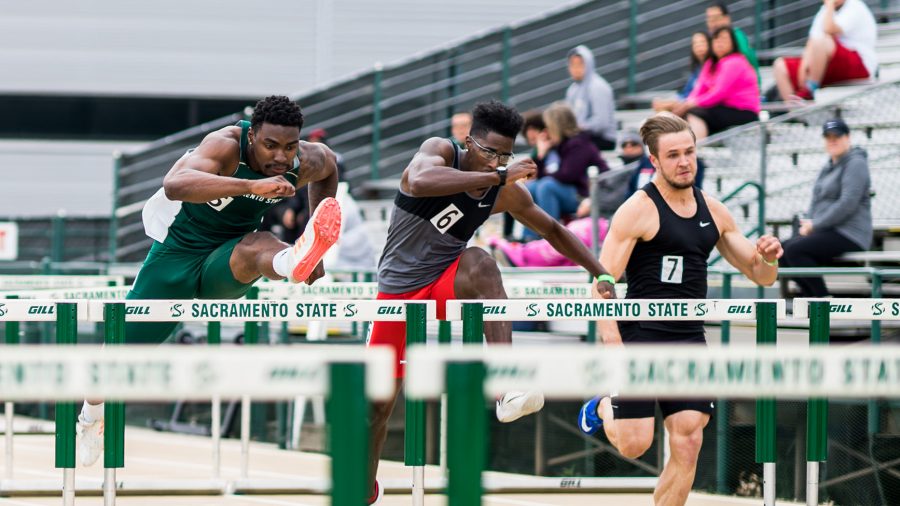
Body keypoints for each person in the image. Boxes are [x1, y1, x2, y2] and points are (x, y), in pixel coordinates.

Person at [365, 100, 616, 504]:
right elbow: (417, 181)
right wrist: (501, 173)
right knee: (376, 408)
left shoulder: (502, 192)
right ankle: (361, 488)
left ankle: (506, 385)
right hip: (398, 291)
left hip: (447, 280)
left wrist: (599, 270)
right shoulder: (440, 150)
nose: (495, 161)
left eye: (504, 154)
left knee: (482, 262)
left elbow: (552, 229)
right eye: (488, 152)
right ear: (469, 142)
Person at [76, 95, 342, 466]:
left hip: (228, 260)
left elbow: (329, 169)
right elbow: (176, 184)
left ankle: (294, 259)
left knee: (258, 245)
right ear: (252, 137)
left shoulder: (304, 160)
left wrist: (316, 229)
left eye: (289, 146)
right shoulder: (225, 145)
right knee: (119, 354)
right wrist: (249, 187)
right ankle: (90, 417)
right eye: (270, 146)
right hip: (177, 254)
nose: (281, 157)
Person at [577, 113, 782, 506]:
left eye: (690, 152)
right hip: (639, 336)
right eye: (673, 155)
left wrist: (769, 257)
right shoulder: (637, 210)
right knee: (635, 445)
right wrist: (611, 341)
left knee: (688, 441)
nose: (685, 161)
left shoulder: (715, 210)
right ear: (654, 160)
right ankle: (601, 405)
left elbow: (761, 276)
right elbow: (602, 284)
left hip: (688, 336)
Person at [780, 118, 872, 296]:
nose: (832, 140)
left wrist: (815, 225)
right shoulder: (829, 166)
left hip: (850, 234)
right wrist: (809, 222)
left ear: (848, 138)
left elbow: (848, 203)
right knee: (782, 251)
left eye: (837, 136)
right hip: (827, 230)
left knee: (795, 249)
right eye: (828, 137)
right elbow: (816, 199)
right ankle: (810, 297)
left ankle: (822, 299)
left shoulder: (856, 163)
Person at [523, 103, 608, 240]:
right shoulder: (561, 144)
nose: (546, 132)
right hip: (572, 192)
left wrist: (544, 173)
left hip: (587, 197)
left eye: (549, 127)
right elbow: (537, 175)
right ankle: (528, 237)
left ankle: (547, 239)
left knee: (546, 186)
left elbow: (566, 175)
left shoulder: (578, 144)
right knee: (530, 187)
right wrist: (541, 154)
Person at [772, 0, 877, 101]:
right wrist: (803, 68)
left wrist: (830, 5)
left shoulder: (855, 6)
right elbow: (812, 41)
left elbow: (829, 29)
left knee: (822, 40)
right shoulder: (824, 10)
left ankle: (810, 89)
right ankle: (793, 113)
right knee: (780, 65)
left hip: (859, 64)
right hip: (827, 65)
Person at [673, 26, 760, 140]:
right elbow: (699, 90)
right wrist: (686, 104)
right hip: (723, 109)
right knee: (681, 113)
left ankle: (698, 148)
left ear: (732, 42)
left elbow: (719, 93)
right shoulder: (710, 64)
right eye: (716, 39)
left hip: (744, 111)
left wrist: (691, 104)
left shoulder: (734, 61)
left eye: (724, 39)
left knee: (695, 113)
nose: (719, 43)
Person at [565, 45, 617, 150]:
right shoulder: (572, 89)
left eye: (580, 64)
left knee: (570, 146)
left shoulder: (598, 86)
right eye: (572, 64)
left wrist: (580, 128)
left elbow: (602, 123)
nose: (576, 69)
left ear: (589, 64)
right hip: (582, 136)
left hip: (603, 139)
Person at [653, 32, 711, 112]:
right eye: (695, 43)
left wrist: (672, 103)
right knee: (662, 106)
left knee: (666, 108)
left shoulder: (713, 67)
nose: (698, 46)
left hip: (699, 105)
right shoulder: (696, 70)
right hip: (688, 102)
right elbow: (686, 92)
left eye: (702, 42)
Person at [705, 2, 761, 87]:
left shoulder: (736, 36)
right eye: (710, 19)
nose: (713, 23)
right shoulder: (711, 40)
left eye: (716, 18)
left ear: (727, 19)